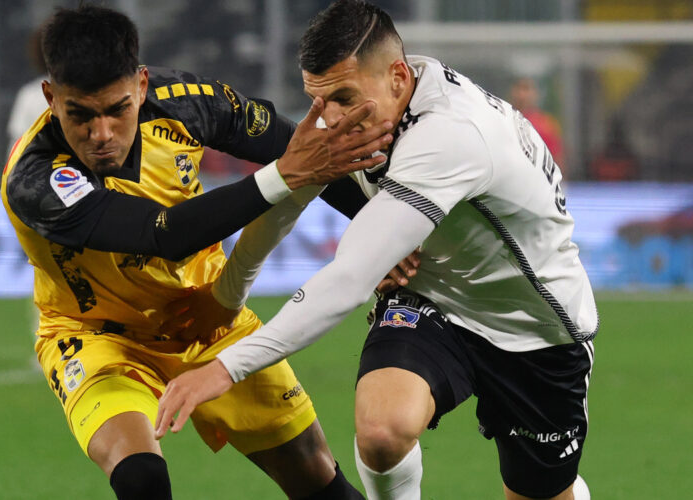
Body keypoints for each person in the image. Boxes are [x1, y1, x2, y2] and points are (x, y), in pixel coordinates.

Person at [154, 2, 599, 499]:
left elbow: (349, 277)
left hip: (534, 326)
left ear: (397, 76)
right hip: (432, 296)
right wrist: (226, 296)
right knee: (382, 431)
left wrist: (224, 368)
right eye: (319, 102)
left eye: (344, 98)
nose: (333, 119)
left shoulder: (452, 134)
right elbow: (289, 197)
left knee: (541, 493)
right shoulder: (365, 105)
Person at [1, 6, 396, 499]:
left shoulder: (185, 103)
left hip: (206, 315)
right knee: (141, 476)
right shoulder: (36, 179)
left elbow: (302, 149)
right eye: (80, 114)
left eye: (117, 110)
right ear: (49, 97)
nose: (101, 135)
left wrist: (387, 234)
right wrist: (284, 175)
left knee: (316, 476)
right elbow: (161, 234)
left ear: (141, 86)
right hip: (97, 336)